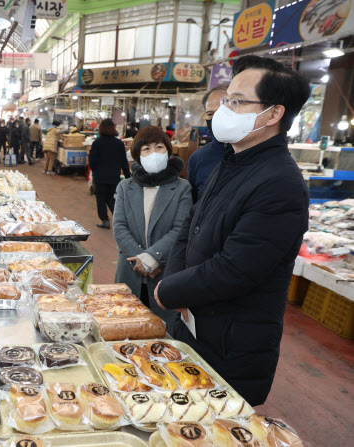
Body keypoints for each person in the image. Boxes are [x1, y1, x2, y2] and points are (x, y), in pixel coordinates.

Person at [154, 55, 311, 406]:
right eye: (227, 100)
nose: (225, 109)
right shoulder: (231, 161)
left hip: (230, 345)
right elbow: (189, 229)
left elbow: (236, 269)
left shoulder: (281, 183)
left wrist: (169, 290)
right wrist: (175, 286)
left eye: (237, 102)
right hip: (191, 324)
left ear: (273, 114)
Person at [112, 126, 192, 334]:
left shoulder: (182, 188)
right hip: (130, 270)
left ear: (168, 150)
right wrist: (141, 260)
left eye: (159, 147)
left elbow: (180, 229)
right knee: (126, 331)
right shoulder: (125, 187)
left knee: (162, 334)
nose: (153, 153)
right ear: (138, 155)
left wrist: (152, 258)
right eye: (146, 149)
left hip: (163, 273)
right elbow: (119, 226)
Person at [186, 84, 229, 202]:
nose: (216, 118)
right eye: (210, 113)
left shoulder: (253, 153)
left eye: (222, 111)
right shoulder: (199, 158)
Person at [88, 119, 131, 229]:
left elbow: (92, 160)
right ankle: (121, 220)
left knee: (101, 199)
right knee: (112, 198)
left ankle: (105, 220)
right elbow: (124, 162)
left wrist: (95, 170)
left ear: (101, 128)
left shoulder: (97, 143)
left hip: (100, 176)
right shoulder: (119, 143)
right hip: (114, 176)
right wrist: (127, 176)